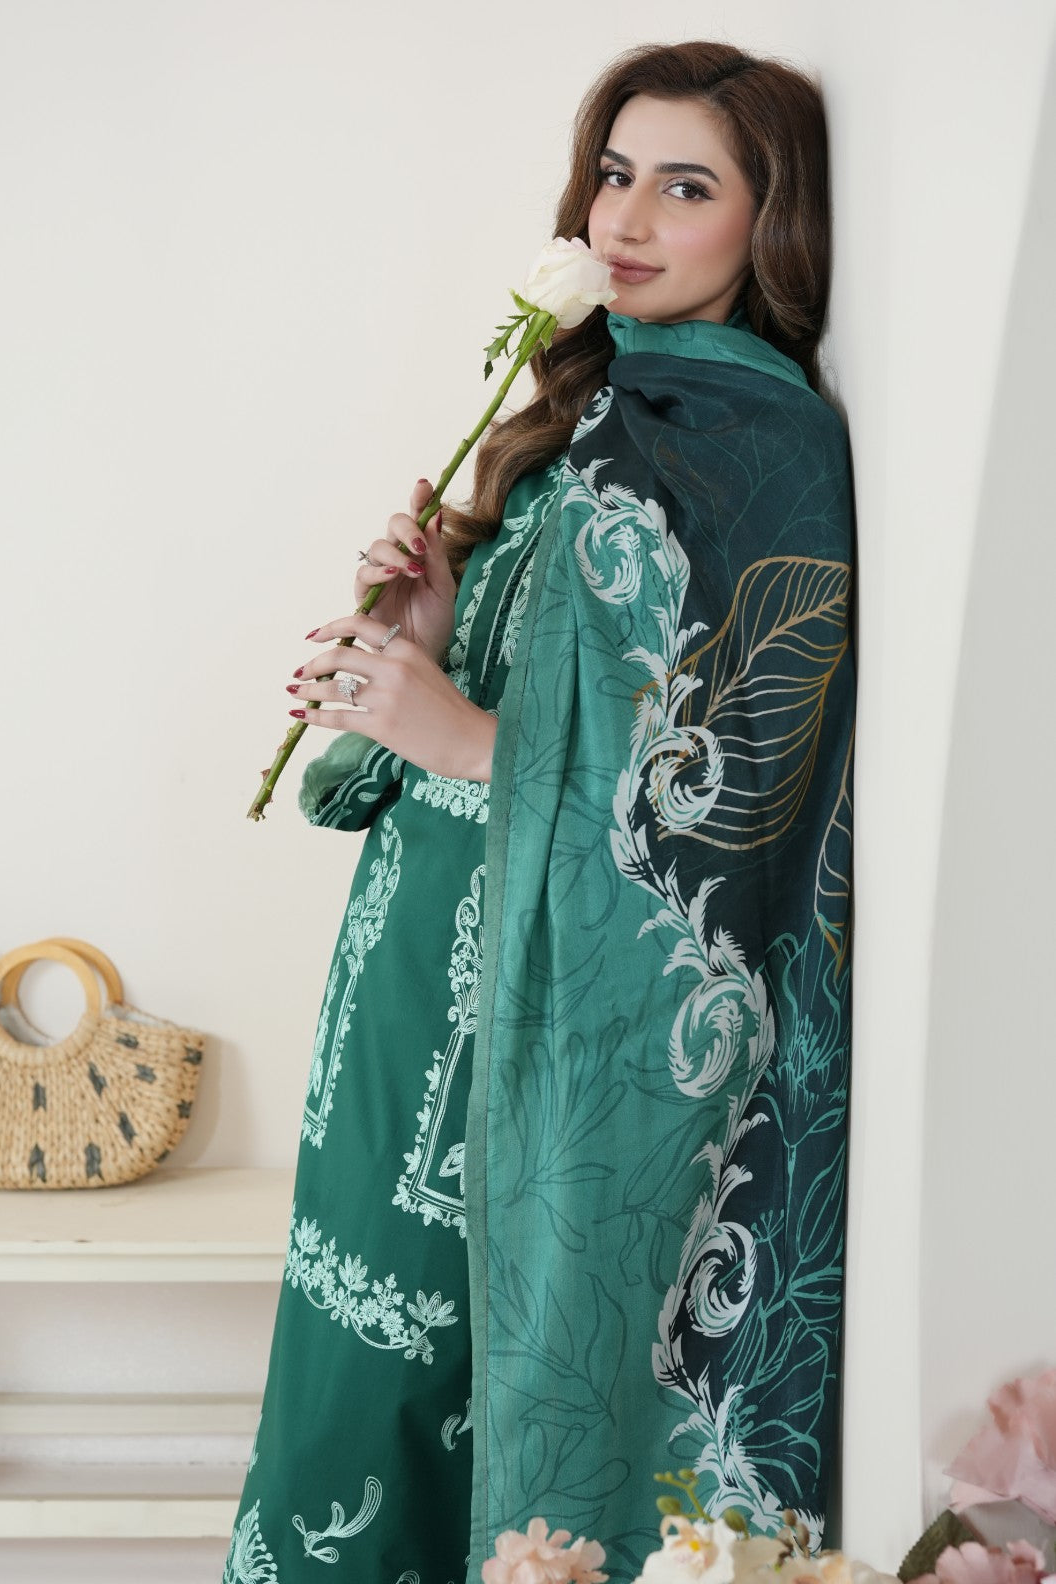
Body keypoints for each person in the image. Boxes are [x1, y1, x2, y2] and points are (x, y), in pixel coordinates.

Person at [222, 38, 856, 1584]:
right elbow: (520, 713)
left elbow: (720, 807)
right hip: (405, 1003)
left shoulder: (750, 449)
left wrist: (453, 735)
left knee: (435, 1421)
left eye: (685, 187)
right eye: (613, 174)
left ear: (770, 221)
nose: (624, 217)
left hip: (536, 1037)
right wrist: (430, 635)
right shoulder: (586, 410)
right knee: (343, 1401)